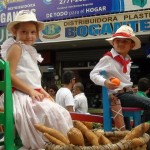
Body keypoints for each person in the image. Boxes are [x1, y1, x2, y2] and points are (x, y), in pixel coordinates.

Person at [0, 10, 73, 149]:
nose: (29, 36)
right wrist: (31, 91)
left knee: (59, 111)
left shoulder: (28, 50)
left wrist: (44, 93)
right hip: (18, 94)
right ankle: (45, 144)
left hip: (29, 92)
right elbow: (9, 76)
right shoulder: (16, 47)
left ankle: (58, 143)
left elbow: (32, 80)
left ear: (37, 34)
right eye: (24, 32)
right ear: (15, 32)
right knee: (48, 112)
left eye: (32, 32)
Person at [90, 25, 150, 129]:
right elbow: (93, 74)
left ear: (131, 45)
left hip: (127, 94)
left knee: (126, 130)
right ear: (113, 43)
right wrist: (105, 82)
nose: (121, 43)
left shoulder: (127, 59)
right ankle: (143, 130)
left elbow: (125, 80)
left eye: (125, 41)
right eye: (117, 40)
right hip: (118, 96)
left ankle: (140, 129)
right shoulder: (108, 58)